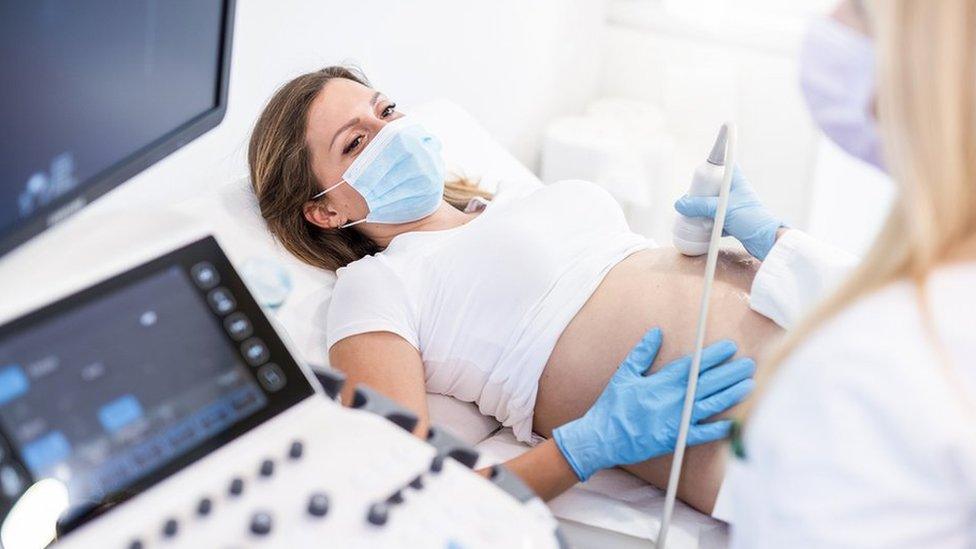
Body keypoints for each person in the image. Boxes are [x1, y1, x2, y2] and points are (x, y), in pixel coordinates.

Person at [248, 66, 802, 514]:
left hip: (815, 326)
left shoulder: (511, 196)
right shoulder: (375, 286)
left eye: (385, 110)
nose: (389, 133)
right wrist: (588, 445)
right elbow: (408, 490)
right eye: (356, 142)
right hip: (762, 429)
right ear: (325, 209)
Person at [679, 1, 976, 545]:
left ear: (937, 66)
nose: (831, 23)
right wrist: (777, 242)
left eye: (862, 10)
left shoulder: (872, 370)